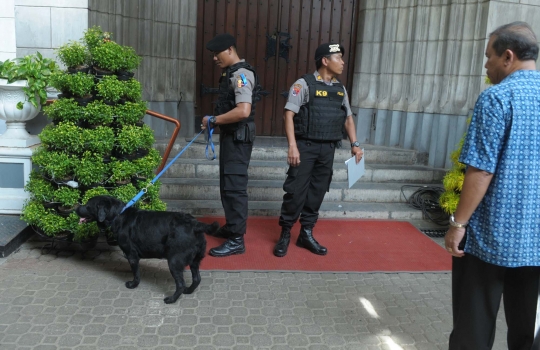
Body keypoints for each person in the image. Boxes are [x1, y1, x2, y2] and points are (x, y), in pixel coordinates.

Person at [445, 22, 540, 349]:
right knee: (526, 326)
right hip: (536, 240)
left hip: (490, 237)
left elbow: (480, 172)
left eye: (489, 57)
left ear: (508, 57)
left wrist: (458, 224)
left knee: (474, 324)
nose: (486, 65)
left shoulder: (497, 98)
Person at [273, 43, 363, 258]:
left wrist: (355, 144)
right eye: (338, 57)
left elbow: (348, 118)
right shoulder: (303, 84)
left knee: (317, 192)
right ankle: (285, 233)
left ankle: (306, 233)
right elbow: (289, 114)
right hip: (305, 147)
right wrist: (293, 146)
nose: (342, 62)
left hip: (328, 149)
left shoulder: (340, 89)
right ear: (325, 60)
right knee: (295, 192)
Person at [202, 33, 260, 257]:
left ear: (229, 50)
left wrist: (214, 120)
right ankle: (232, 227)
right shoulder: (231, 74)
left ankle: (237, 240)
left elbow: (243, 110)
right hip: (231, 137)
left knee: (234, 188)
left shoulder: (241, 75)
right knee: (227, 186)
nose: (214, 58)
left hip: (238, 139)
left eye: (217, 54)